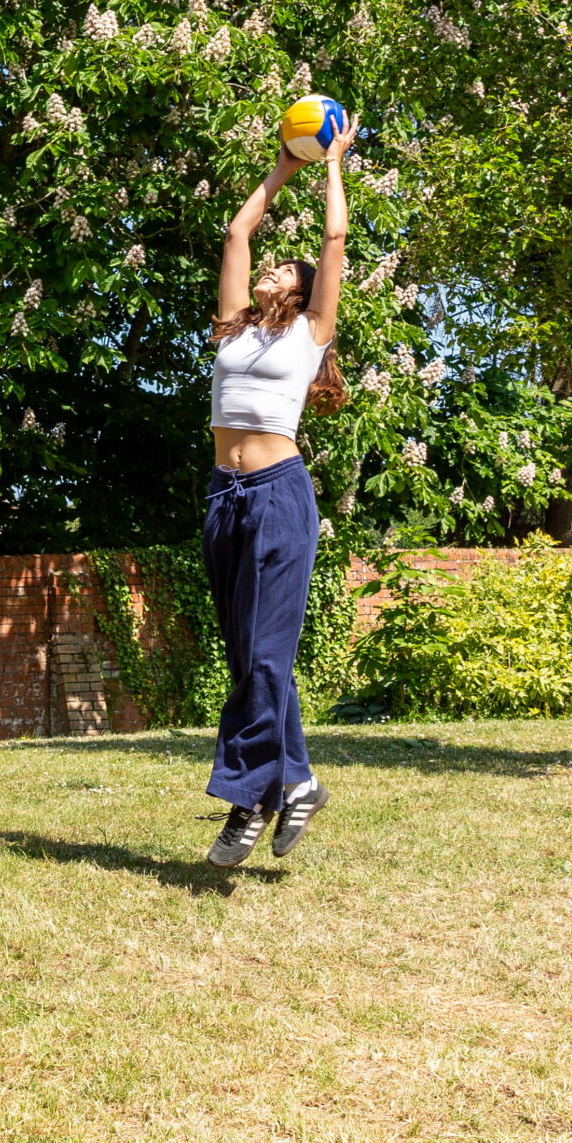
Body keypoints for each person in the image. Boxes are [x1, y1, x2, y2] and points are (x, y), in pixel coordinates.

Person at [202, 117, 356, 868]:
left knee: (266, 657)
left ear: (299, 293)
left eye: (281, 272)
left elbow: (334, 246)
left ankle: (251, 798)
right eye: (268, 269)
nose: (268, 271)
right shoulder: (233, 331)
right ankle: (298, 781)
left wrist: (331, 164)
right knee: (248, 658)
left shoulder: (309, 335)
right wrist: (280, 168)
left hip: (278, 496)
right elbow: (238, 229)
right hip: (223, 499)